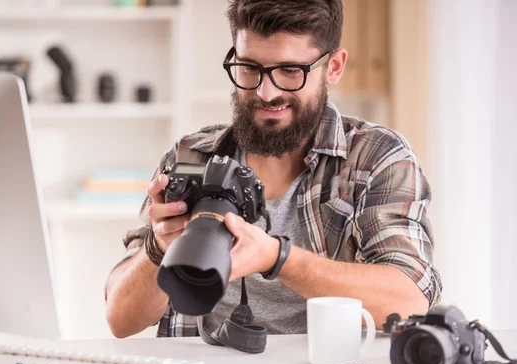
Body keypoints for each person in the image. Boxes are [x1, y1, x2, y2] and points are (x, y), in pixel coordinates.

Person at [105, 0, 442, 339]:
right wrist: (159, 248)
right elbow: (120, 319)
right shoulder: (192, 157)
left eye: (291, 71)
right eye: (249, 68)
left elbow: (409, 299)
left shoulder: (377, 157)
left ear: (334, 66)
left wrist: (277, 258)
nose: (266, 92)